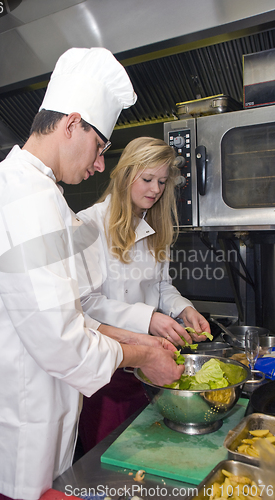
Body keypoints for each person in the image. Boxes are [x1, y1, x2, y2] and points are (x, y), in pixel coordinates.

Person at [0, 49, 185, 500]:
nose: (100, 165)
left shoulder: (40, 194)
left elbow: (68, 313)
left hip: (35, 431)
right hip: (13, 445)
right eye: (100, 147)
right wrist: (142, 355)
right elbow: (62, 339)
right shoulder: (22, 197)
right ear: (72, 124)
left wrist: (142, 340)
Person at [77, 136, 211, 451]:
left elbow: (160, 285)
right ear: (125, 176)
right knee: (109, 459)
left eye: (162, 182)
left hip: (151, 368)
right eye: (148, 179)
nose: (155, 189)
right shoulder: (89, 224)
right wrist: (148, 318)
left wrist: (183, 309)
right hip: (108, 370)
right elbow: (86, 303)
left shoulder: (153, 225)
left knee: (148, 452)